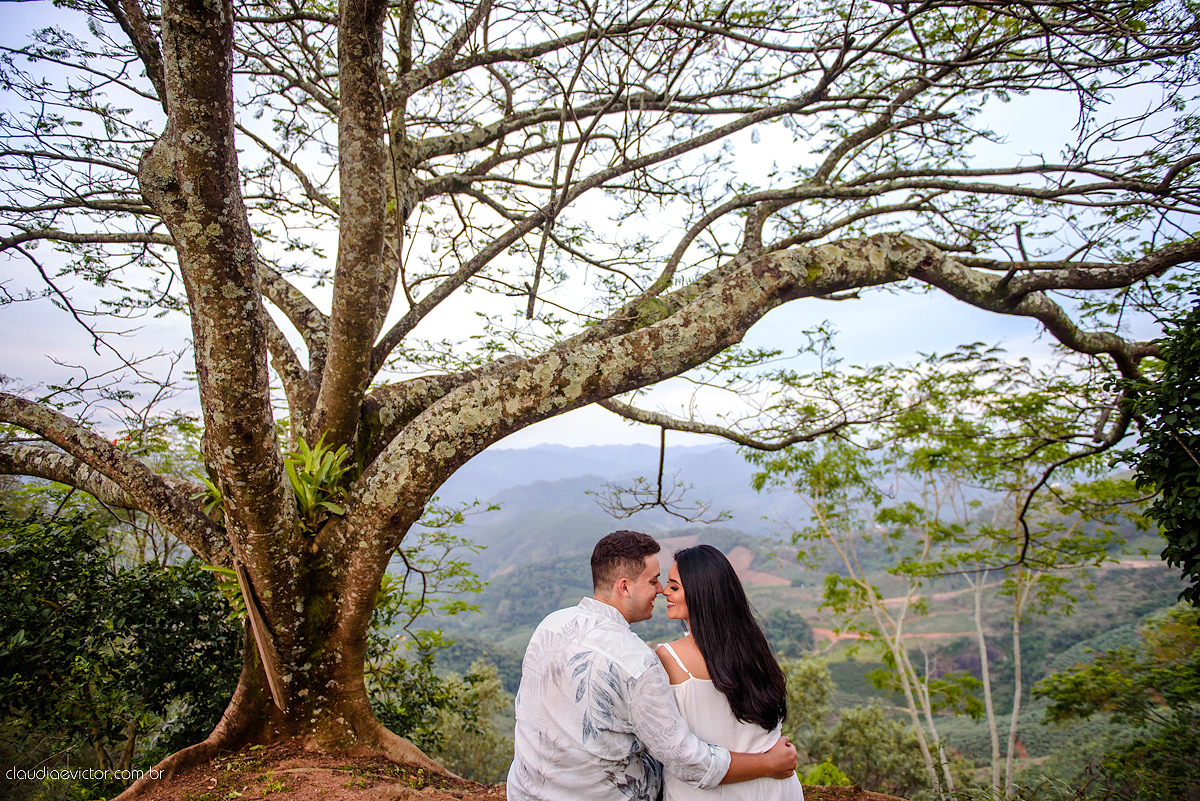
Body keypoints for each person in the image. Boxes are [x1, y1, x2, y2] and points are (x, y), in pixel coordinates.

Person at [507, 530, 799, 801]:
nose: (660, 590)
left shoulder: (550, 625)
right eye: (654, 580)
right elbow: (685, 760)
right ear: (624, 586)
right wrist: (766, 764)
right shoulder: (639, 662)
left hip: (525, 791)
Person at [656, 544, 805, 801]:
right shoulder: (754, 648)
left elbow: (675, 750)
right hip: (775, 790)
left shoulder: (669, 658)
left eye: (674, 586)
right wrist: (770, 761)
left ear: (701, 593)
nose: (664, 591)